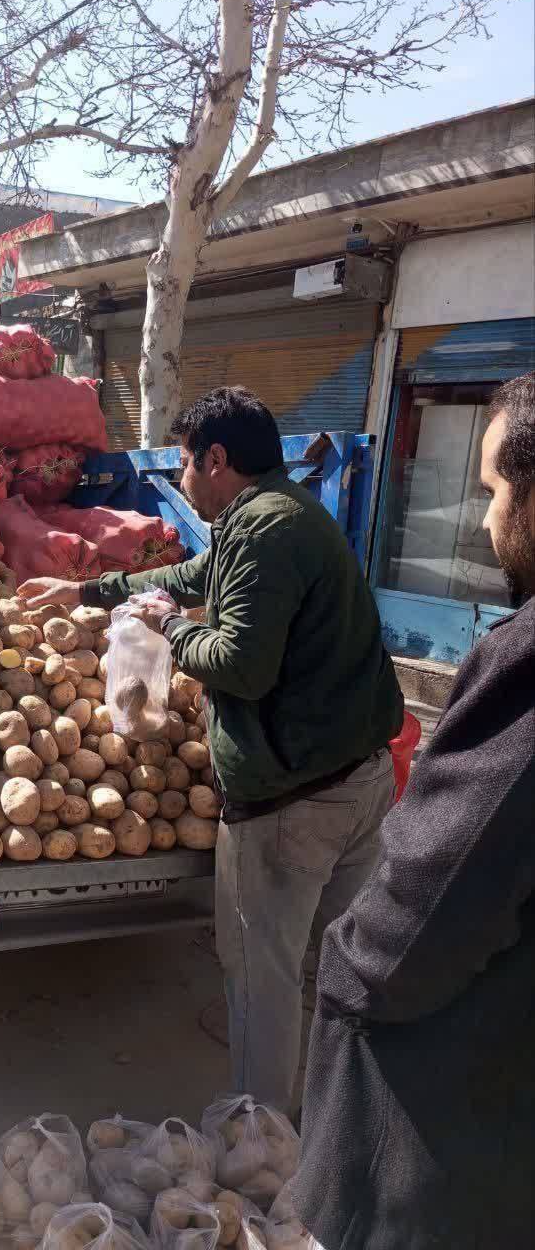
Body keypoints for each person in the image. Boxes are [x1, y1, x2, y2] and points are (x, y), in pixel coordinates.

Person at [19, 388, 404, 1113]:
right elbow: (191, 579)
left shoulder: (262, 531)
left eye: (187, 463)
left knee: (262, 973)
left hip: (296, 799)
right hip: (359, 780)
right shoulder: (283, 513)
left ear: (216, 459)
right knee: (336, 964)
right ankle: (337, 1120)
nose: (184, 479)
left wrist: (170, 630)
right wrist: (87, 592)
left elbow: (240, 666)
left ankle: (259, 1143)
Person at [290, 372, 535, 1250]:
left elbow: (425, 912)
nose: (482, 520)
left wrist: (343, 974)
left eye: (496, 490)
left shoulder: (525, 664)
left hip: (465, 1140)